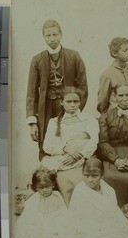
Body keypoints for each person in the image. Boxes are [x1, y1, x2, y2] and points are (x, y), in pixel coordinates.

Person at [26, 20, 88, 161]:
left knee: (70, 140)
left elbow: (83, 87)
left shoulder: (74, 56)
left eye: (55, 34)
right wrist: (32, 122)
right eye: (48, 35)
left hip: (68, 107)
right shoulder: (37, 60)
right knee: (46, 143)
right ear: (44, 37)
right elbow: (31, 93)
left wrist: (74, 110)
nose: (52, 39)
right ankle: (47, 180)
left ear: (61, 34)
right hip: (45, 109)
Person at [41, 87, 99, 205]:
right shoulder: (54, 122)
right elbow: (47, 146)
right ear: (61, 102)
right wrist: (65, 148)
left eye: (76, 101)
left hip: (81, 159)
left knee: (79, 182)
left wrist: (79, 155)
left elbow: (93, 141)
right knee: (53, 178)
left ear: (80, 102)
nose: (72, 105)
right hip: (60, 159)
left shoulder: (89, 119)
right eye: (69, 101)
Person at [13, 167, 67, 238]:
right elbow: (29, 218)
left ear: (53, 185)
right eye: (41, 187)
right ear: (35, 187)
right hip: (39, 226)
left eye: (47, 187)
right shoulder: (33, 200)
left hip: (55, 226)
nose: (45, 190)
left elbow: (62, 215)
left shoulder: (57, 197)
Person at [97, 37, 128, 114]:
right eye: (125, 50)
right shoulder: (107, 74)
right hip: (115, 117)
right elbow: (102, 100)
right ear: (114, 53)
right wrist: (107, 117)